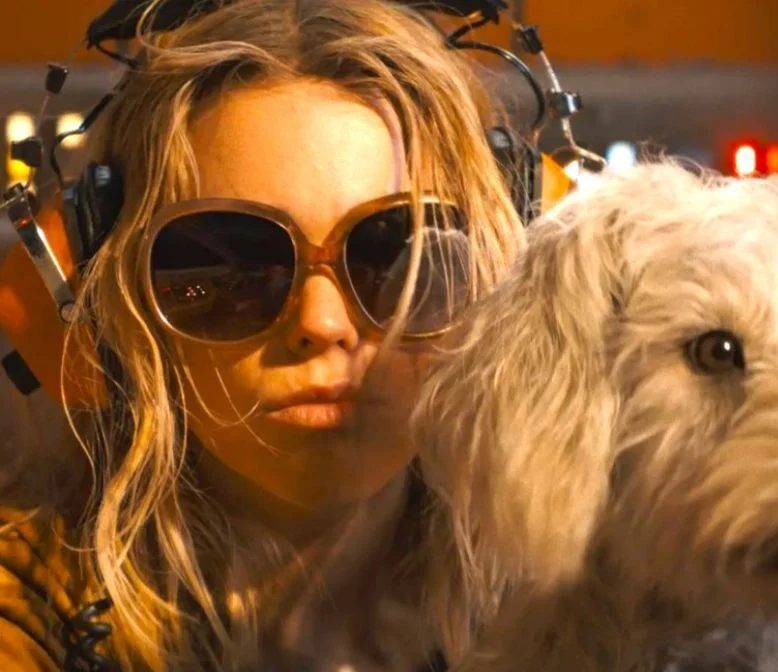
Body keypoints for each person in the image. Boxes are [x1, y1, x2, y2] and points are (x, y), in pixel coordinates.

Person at [0, 0, 524, 669]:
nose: (322, 325)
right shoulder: (24, 611)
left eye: (393, 254)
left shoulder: (600, 602)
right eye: (236, 266)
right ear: (106, 300)